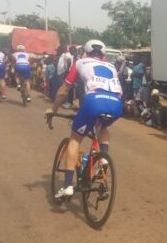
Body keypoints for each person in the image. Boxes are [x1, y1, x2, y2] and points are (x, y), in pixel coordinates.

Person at [47, 39, 123, 199]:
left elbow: (63, 90)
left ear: (86, 52)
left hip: (94, 101)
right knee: (102, 127)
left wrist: (53, 109)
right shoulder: (112, 66)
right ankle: (103, 158)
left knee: (75, 139)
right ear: (103, 54)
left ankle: (67, 185)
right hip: (116, 104)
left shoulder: (80, 62)